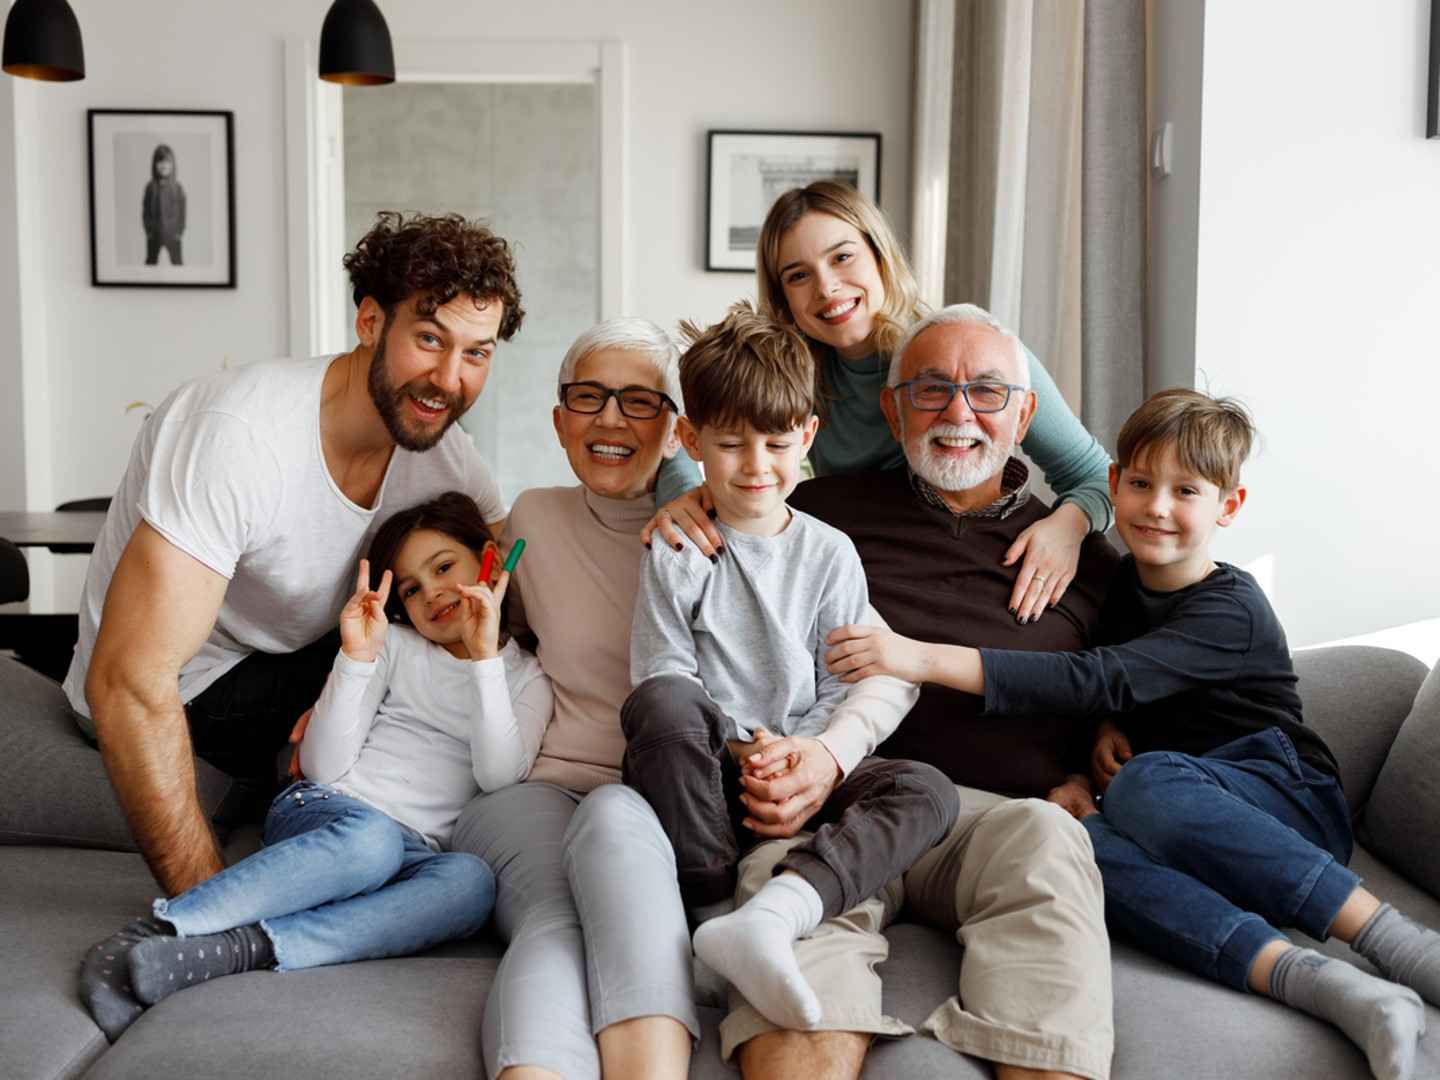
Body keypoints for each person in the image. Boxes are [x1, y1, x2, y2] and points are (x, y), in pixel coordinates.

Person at [831, 388, 1440, 1080]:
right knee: (1071, 842)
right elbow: (1118, 692)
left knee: (1149, 781)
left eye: (1187, 491)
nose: (1157, 507)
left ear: (1228, 507)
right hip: (1172, 825)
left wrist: (922, 657)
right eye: (1143, 484)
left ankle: (1397, 943)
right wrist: (1089, 754)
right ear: (1114, 485)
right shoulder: (1119, 585)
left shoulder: (1231, 607)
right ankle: (1327, 986)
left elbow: (1104, 676)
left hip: (1283, 803)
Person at [447, 318, 916, 1080]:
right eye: (589, 398)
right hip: (559, 779)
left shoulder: (736, 528)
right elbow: (463, 605)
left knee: (623, 857)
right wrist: (364, 679)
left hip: (676, 793)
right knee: (557, 916)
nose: (609, 419)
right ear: (559, 418)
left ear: (673, 430)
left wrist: (818, 755)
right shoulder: (530, 519)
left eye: (638, 402)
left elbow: (875, 665)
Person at [65, 211, 523, 898]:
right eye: (429, 339)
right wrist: (209, 905)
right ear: (369, 322)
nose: (448, 379)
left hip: (294, 664)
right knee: (392, 657)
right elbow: (128, 684)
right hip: (189, 685)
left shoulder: (447, 460)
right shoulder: (239, 434)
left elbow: (518, 577)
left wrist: (683, 505)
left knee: (443, 641)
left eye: (476, 353)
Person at [726, 303, 1120, 1080]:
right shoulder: (812, 515)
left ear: (1025, 412)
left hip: (996, 820)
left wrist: (1094, 759)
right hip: (839, 799)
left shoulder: (1082, 553)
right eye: (932, 388)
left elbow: (1123, 678)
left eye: (987, 391)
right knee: (785, 914)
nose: (959, 412)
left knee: (1050, 840)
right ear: (892, 406)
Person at [81, 492, 549, 1041]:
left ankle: (237, 949)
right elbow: (324, 767)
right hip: (330, 812)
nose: (432, 593)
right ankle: (155, 931)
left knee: (471, 883)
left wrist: (485, 657)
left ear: (490, 560)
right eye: (412, 589)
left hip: (416, 850)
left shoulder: (526, 678)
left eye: (444, 567)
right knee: (370, 841)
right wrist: (356, 657)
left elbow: (497, 777)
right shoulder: (394, 645)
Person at [620, 303, 957, 1032]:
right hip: (708, 779)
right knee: (663, 708)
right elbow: (663, 673)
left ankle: (778, 911)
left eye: (776, 444)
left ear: (806, 437)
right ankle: (710, 916)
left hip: (803, 770)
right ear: (692, 441)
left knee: (927, 790)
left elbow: (843, 679)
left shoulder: (829, 552)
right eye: (732, 444)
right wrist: (745, 747)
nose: (756, 466)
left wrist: (803, 753)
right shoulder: (678, 548)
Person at [646, 180, 1112, 625]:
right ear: (784, 297)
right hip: (869, 569)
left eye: (843, 257)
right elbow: (682, 426)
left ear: (880, 256)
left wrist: (1067, 527)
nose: (826, 288)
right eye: (798, 275)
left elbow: (1097, 474)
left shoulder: (966, 353)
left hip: (968, 556)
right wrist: (686, 491)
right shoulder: (798, 373)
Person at [142, 144, 185, 266]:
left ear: (173, 165)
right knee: (150, 261)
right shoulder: (150, 187)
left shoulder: (177, 188)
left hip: (173, 233)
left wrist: (179, 231)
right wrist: (148, 230)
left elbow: (182, 212)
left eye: (167, 162)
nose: (164, 166)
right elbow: (145, 211)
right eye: (160, 162)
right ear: (154, 164)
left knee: (177, 263)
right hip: (154, 233)